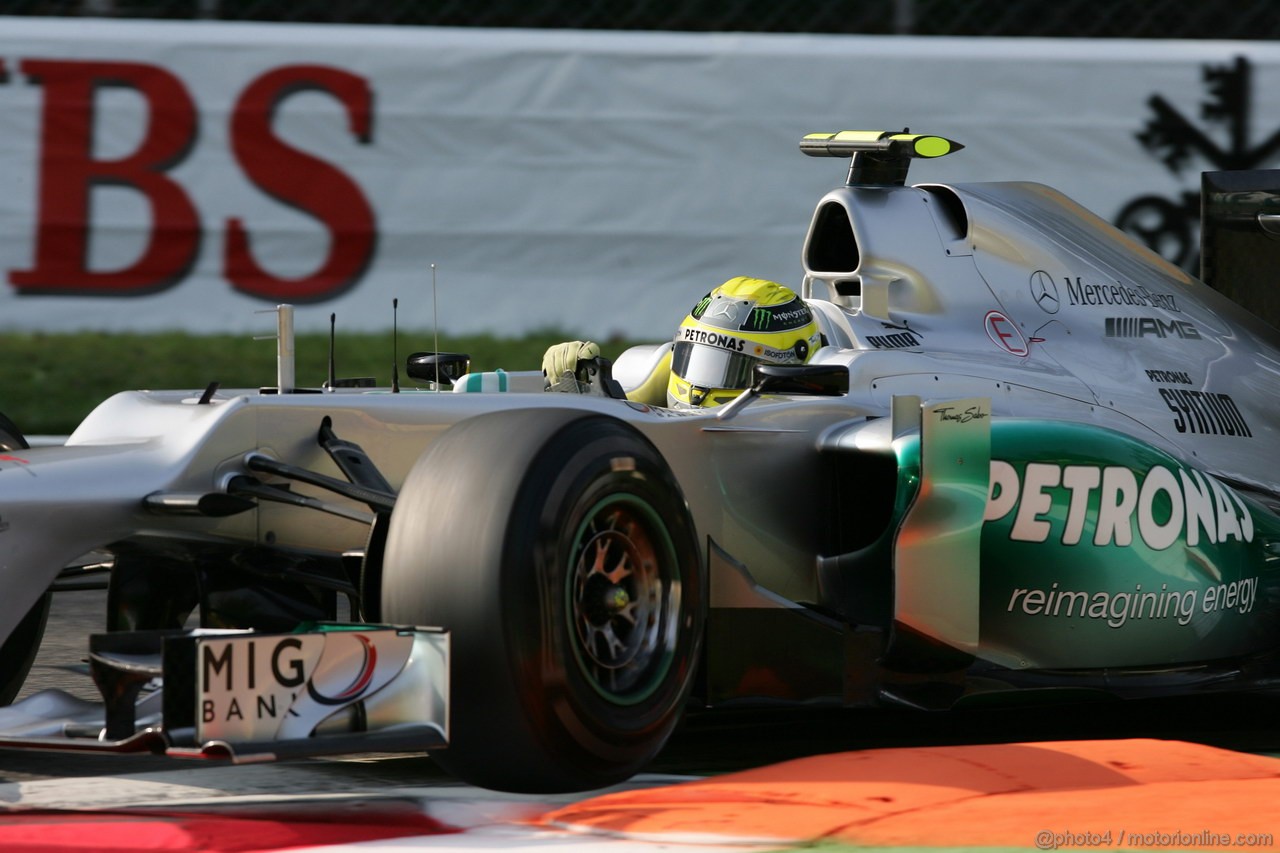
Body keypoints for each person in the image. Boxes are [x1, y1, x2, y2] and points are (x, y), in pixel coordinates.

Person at [543, 276, 823, 409]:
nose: (695, 394)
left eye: (730, 370)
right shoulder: (656, 373)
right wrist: (585, 403)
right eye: (696, 360)